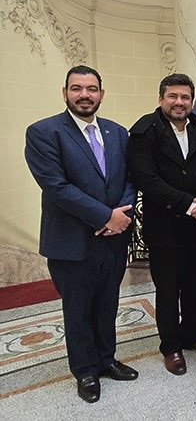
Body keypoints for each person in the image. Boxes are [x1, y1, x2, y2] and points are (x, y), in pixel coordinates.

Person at [25, 65, 138, 403]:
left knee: (107, 304)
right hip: (71, 241)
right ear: (65, 93)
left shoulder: (118, 133)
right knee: (78, 309)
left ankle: (107, 359)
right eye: (77, 88)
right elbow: (57, 187)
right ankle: (85, 370)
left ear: (101, 94)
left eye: (91, 89)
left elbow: (130, 178)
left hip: (113, 240)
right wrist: (105, 216)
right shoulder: (44, 132)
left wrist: (121, 216)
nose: (84, 95)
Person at [127, 73, 196, 377]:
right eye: (173, 96)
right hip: (165, 227)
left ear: (192, 101)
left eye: (185, 97)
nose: (179, 102)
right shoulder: (144, 131)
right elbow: (146, 179)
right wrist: (189, 205)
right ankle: (170, 346)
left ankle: (193, 334)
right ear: (161, 99)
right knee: (168, 290)